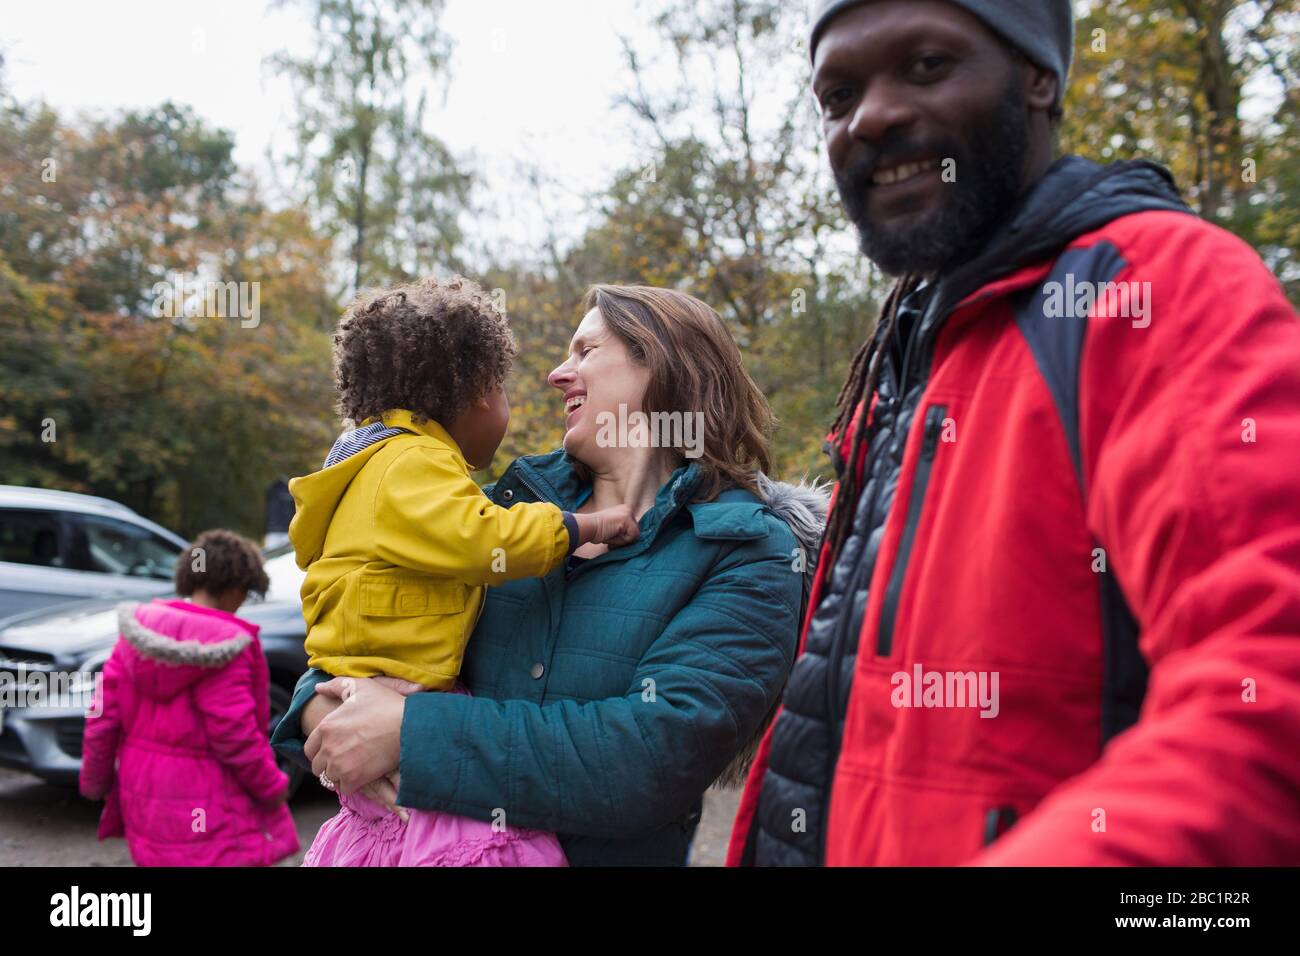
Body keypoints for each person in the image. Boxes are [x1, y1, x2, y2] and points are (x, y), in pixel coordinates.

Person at [729, 0, 1300, 866]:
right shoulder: (910, 343)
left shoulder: (1155, 289)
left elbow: (1267, 681)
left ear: (1039, 77)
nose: (871, 115)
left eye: (925, 65)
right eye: (838, 95)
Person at [272, 284, 829, 866]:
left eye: (585, 351)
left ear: (662, 361)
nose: (557, 374)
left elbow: (649, 758)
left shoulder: (748, 548)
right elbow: (360, 620)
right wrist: (318, 704)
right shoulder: (497, 519)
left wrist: (410, 733)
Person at [288, 275, 639, 866]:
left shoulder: (368, 463)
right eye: (500, 386)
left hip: (364, 678)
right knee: (458, 835)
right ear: (474, 390)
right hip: (398, 679)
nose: (549, 381)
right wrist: (584, 526)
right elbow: (481, 538)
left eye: (587, 352)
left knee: (402, 826)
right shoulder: (415, 461)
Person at [79, 529, 299, 866]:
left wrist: (95, 782)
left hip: (144, 795)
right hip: (211, 801)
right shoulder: (229, 646)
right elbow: (234, 735)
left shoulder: (136, 633)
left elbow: (102, 718)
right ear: (238, 588)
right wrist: (271, 786)